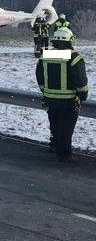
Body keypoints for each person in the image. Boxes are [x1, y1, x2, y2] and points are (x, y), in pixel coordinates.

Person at [36, 27, 88, 161]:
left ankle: (54, 145)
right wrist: (83, 95)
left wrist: (44, 90)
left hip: (50, 99)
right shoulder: (74, 57)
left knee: (54, 124)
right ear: (70, 40)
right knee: (66, 127)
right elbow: (80, 79)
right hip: (68, 100)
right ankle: (64, 155)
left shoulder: (46, 55)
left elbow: (39, 75)